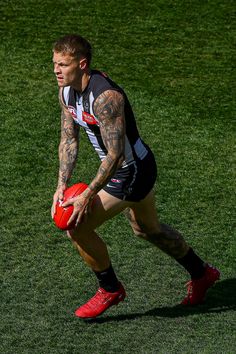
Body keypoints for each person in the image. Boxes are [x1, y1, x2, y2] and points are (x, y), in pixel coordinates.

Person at [51, 34, 220, 319]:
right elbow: (69, 139)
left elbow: (115, 155)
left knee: (76, 226)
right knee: (147, 229)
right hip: (126, 167)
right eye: (54, 63)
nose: (56, 70)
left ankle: (110, 289)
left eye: (63, 64)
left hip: (131, 170)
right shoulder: (66, 92)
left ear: (82, 64)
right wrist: (61, 185)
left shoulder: (106, 98)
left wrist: (87, 195)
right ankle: (202, 273)